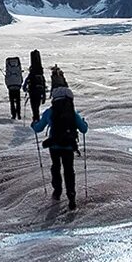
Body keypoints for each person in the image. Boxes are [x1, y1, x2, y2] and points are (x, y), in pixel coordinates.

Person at [31, 66, 88, 208]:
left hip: (54, 145)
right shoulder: (72, 113)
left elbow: (38, 128)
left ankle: (57, 191)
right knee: (69, 170)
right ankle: (71, 197)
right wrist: (84, 122)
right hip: (69, 145)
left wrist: (34, 124)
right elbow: (84, 129)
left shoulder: (50, 112)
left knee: (55, 167)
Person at [24, 49, 47, 123]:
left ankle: (36, 119)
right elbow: (43, 83)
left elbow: (27, 81)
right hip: (39, 91)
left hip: (32, 91)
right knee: (36, 106)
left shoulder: (32, 73)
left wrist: (25, 88)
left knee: (34, 106)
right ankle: (37, 118)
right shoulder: (40, 73)